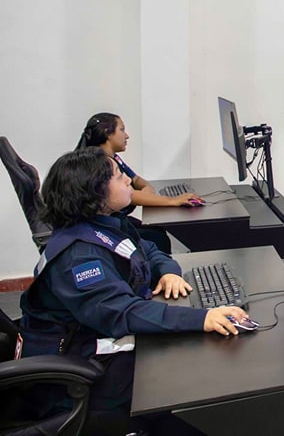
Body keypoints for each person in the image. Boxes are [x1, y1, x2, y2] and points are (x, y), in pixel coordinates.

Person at [18, 147, 247, 435]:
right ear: (95, 193)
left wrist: (169, 272)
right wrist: (203, 317)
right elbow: (122, 313)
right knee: (197, 373)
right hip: (81, 377)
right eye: (118, 176)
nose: (128, 179)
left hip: (101, 345)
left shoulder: (104, 224)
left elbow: (147, 249)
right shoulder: (79, 257)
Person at [77, 112, 200, 254]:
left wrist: (144, 190)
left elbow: (135, 180)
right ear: (107, 133)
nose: (127, 136)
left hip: (117, 219)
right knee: (157, 238)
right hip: (104, 225)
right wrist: (173, 201)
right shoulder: (100, 164)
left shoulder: (114, 158)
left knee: (157, 231)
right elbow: (129, 194)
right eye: (122, 130)